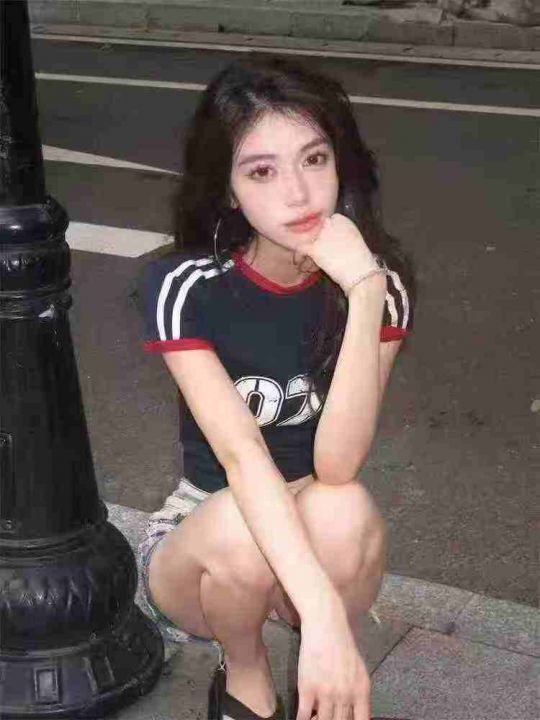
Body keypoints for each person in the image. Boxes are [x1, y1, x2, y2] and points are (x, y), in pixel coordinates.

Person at [138, 55, 416, 720]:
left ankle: (324, 685)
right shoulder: (188, 289)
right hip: (207, 535)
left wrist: (365, 291)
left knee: (346, 505)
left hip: (315, 516)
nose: (298, 193)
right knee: (242, 524)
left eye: (314, 159)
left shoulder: (381, 289)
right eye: (261, 171)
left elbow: (336, 465)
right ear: (230, 190)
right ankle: (247, 671)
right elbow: (242, 459)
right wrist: (322, 616)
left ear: (341, 164)